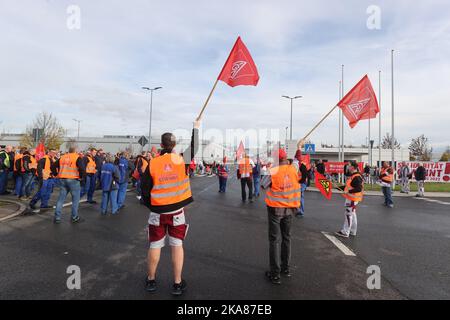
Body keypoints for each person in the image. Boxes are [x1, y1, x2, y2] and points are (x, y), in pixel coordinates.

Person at [141, 132, 194, 296]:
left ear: (162, 145)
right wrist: (196, 127)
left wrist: (153, 206)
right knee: (177, 245)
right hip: (177, 211)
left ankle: (151, 280)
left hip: (158, 211)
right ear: (174, 145)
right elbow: (195, 147)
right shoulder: (180, 160)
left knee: (155, 245)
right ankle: (177, 283)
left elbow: (144, 189)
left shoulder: (153, 163)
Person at [262, 149, 300, 284]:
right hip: (290, 209)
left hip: (275, 209)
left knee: (274, 240)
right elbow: (297, 160)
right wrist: (299, 149)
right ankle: (286, 268)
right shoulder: (293, 169)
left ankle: (275, 273)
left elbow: (263, 185)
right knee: (287, 238)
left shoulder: (273, 171)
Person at [53, 147, 86, 224]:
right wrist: (81, 177)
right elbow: (82, 169)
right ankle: (74, 217)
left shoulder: (62, 157)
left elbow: (53, 166)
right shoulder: (77, 157)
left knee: (61, 199)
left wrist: (56, 174)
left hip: (62, 179)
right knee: (75, 200)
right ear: (75, 151)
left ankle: (57, 217)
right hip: (73, 180)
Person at [335, 161, 364, 238]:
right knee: (352, 214)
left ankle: (345, 232)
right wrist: (338, 187)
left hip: (352, 199)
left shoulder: (356, 176)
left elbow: (359, 188)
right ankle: (352, 231)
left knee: (348, 214)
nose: (348, 167)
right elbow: (349, 186)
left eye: (349, 166)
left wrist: (348, 191)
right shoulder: (354, 175)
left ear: (353, 167)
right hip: (352, 198)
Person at [293, 150, 308, 217]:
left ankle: (300, 211)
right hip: (300, 183)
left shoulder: (301, 166)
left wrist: (299, 182)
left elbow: (304, 176)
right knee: (298, 197)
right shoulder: (301, 166)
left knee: (300, 197)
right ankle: (298, 210)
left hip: (301, 184)